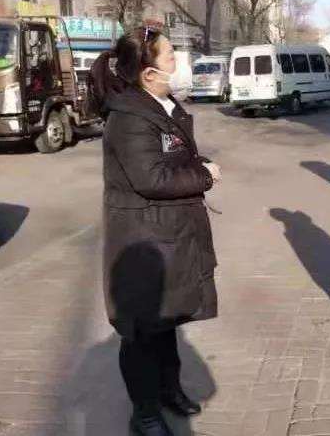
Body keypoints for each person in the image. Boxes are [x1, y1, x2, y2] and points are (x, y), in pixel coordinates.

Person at [90, 26, 222, 436]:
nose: (177, 64)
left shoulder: (162, 105)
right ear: (149, 73)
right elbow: (151, 178)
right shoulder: (129, 117)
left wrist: (198, 164)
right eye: (170, 58)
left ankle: (169, 391)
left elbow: (172, 157)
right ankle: (144, 413)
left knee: (166, 323)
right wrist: (205, 176)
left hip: (170, 233)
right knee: (143, 332)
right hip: (144, 239)